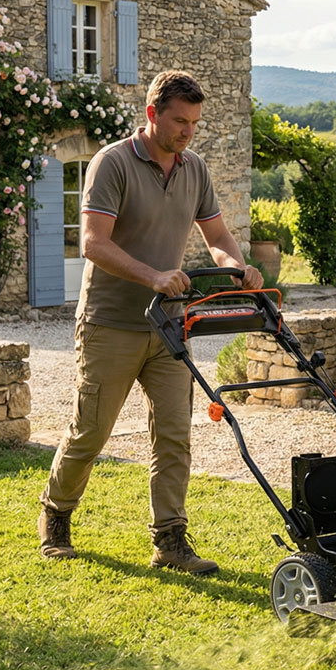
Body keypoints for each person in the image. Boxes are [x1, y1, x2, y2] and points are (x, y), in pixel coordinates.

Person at [38, 70, 263, 574]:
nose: (188, 131)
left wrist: (236, 266)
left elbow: (218, 238)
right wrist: (155, 276)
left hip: (169, 327)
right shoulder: (113, 162)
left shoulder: (194, 168)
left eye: (195, 123)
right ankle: (56, 515)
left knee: (175, 434)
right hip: (111, 322)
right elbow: (92, 243)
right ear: (152, 114)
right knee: (90, 432)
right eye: (179, 121)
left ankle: (170, 541)